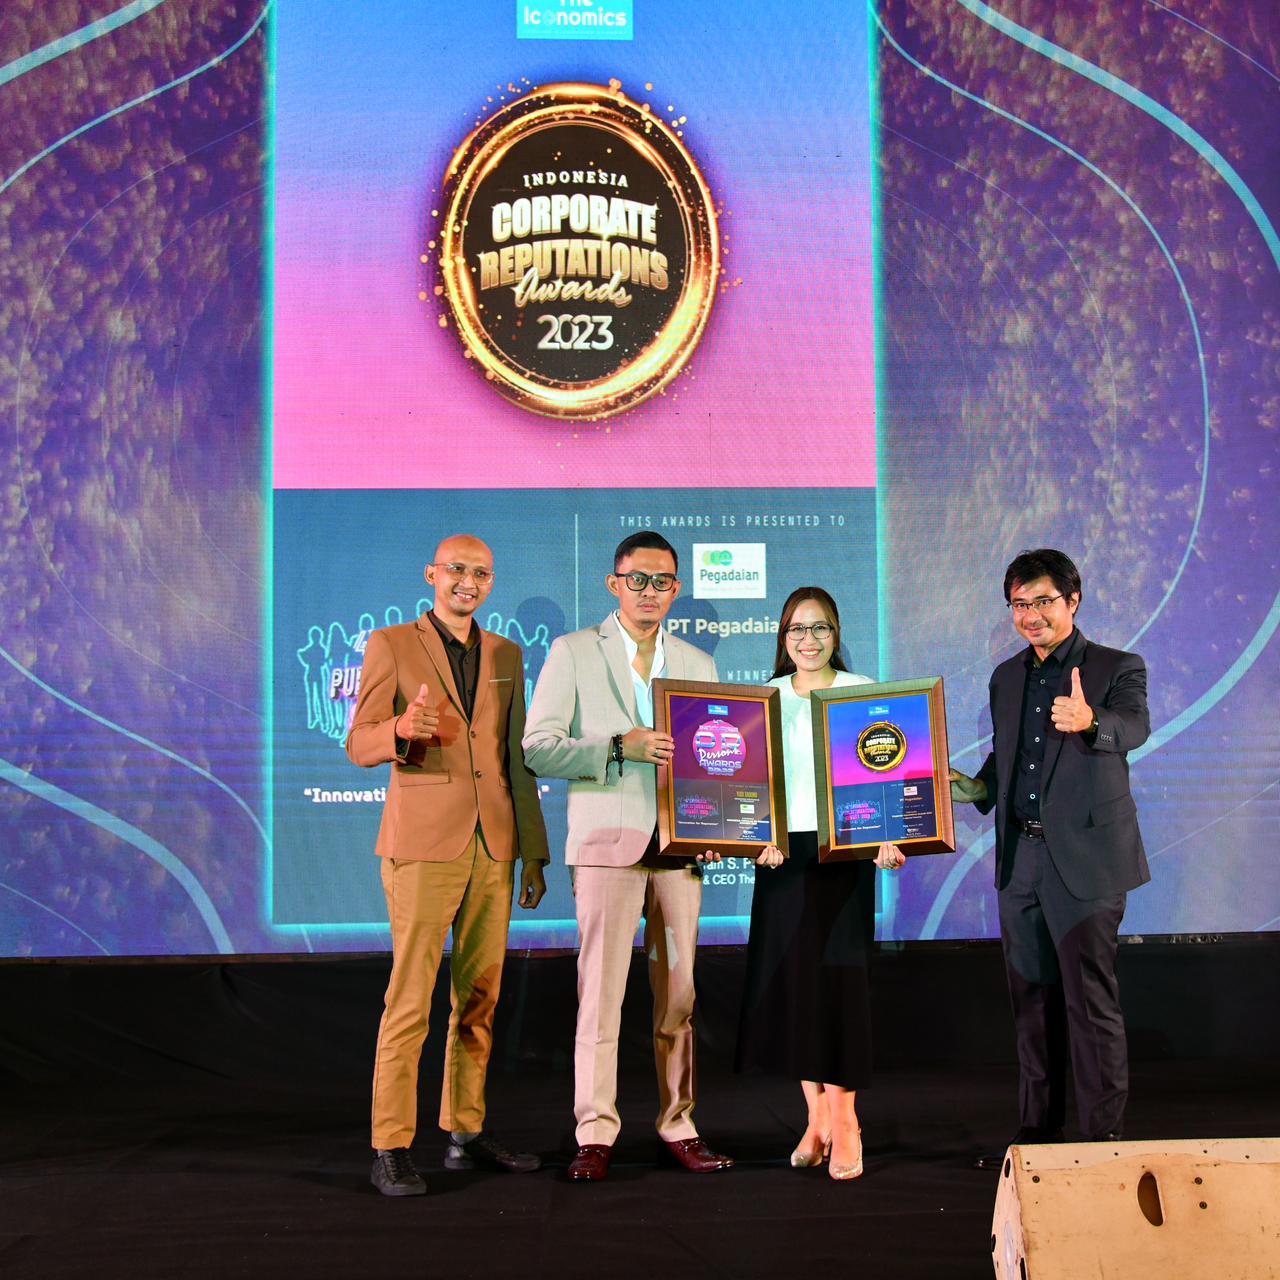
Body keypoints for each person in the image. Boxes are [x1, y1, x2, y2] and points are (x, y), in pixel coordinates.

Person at [522, 532, 739, 1181]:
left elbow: (714, 758)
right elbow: (538, 748)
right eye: (636, 579)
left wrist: (720, 824)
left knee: (680, 997)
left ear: (676, 589)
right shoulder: (573, 651)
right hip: (605, 849)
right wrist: (621, 746)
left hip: (679, 846)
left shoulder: (698, 663)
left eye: (661, 581)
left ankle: (680, 1123)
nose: (649, 591)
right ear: (614, 584)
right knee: (601, 997)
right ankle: (595, 1131)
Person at [346, 534, 550, 1197]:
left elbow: (516, 760)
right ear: (431, 574)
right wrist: (398, 731)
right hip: (422, 846)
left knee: (480, 999)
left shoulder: (508, 653)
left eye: (481, 573)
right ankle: (391, 1146)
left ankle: (466, 1129)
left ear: (491, 583)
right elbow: (358, 744)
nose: (468, 581)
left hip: (495, 847)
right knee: (410, 1000)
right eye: (457, 569)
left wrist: (533, 850)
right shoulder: (391, 644)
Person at [948, 548, 1149, 1168]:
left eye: (1043, 601)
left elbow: (1133, 728)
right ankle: (1038, 1132)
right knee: (1031, 1002)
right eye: (1019, 604)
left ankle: (1101, 1141)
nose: (1030, 615)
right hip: (1021, 860)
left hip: (1086, 862)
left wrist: (1090, 722)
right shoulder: (1006, 677)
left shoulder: (1117, 666)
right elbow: (1006, 755)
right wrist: (975, 788)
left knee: (1090, 1004)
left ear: (1073, 601)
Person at [736, 587, 905, 1181]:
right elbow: (746, 781)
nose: (808, 640)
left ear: (836, 634)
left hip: (845, 854)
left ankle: (846, 1120)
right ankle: (815, 1119)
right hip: (781, 858)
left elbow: (888, 773)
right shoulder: (764, 699)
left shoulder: (862, 691)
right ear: (782, 638)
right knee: (796, 990)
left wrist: (891, 835)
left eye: (820, 628)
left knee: (840, 987)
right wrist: (754, 835)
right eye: (796, 630)